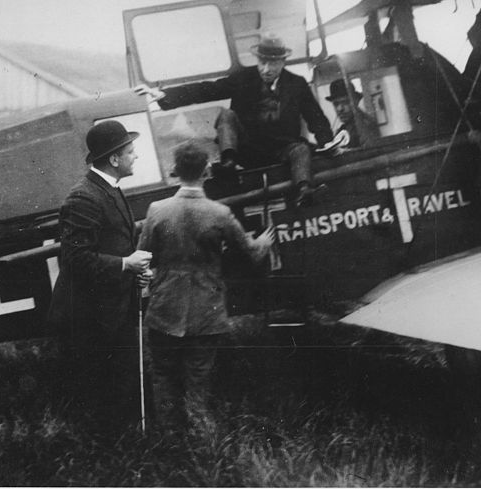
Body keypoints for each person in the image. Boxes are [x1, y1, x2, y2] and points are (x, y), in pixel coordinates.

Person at [138, 142, 274, 428]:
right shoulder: (219, 213)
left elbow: (143, 257)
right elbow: (253, 253)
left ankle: (168, 440)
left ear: (174, 171)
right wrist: (264, 241)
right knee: (198, 381)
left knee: (163, 377)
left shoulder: (157, 210)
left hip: (164, 309)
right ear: (206, 171)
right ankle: (202, 441)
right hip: (205, 311)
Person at [135, 32, 336, 207]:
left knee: (301, 149)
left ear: (283, 62)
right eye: (262, 62)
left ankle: (305, 190)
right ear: (257, 60)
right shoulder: (243, 79)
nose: (266, 69)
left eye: (273, 63)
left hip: (281, 150)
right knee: (226, 115)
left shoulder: (297, 84)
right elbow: (207, 90)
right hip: (247, 150)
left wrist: (328, 143)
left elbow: (316, 118)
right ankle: (228, 161)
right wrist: (164, 95)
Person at [47, 120, 153, 431]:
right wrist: (126, 265)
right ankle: (106, 449)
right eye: (131, 152)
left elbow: (117, 243)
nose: (136, 157)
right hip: (91, 314)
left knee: (120, 380)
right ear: (114, 159)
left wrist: (134, 273)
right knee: (101, 386)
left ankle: (124, 442)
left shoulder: (109, 190)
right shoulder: (84, 197)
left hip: (112, 305)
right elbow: (75, 259)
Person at [325, 79, 380, 148]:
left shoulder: (365, 125)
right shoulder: (344, 128)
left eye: (345, 102)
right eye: (336, 104)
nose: (340, 109)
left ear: (356, 101)